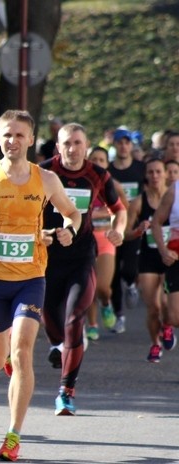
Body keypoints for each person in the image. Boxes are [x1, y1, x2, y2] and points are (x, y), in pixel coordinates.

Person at [0, 110, 80, 461]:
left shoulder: (47, 180)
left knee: (23, 352)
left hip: (31, 278)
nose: (13, 141)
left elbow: (72, 213)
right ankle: (2, 353)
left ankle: (13, 435)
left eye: (20, 135)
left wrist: (69, 230)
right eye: (7, 135)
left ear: (31, 139)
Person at [39, 123, 126, 415]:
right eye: (67, 143)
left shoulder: (98, 174)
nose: (72, 149)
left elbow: (119, 209)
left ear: (85, 146)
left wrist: (119, 230)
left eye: (78, 143)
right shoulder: (42, 172)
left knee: (75, 318)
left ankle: (66, 391)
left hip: (81, 256)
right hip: (47, 258)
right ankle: (58, 346)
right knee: (50, 314)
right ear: (58, 147)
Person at [130, 157, 174, 362]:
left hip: (171, 257)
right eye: (151, 172)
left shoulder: (174, 197)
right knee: (153, 307)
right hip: (148, 258)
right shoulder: (139, 201)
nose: (155, 176)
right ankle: (155, 344)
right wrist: (138, 230)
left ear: (165, 173)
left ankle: (167, 326)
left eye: (159, 171)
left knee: (166, 304)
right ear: (146, 176)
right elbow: (124, 234)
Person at [84, 146, 129, 341]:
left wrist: (117, 228)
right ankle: (92, 324)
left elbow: (123, 210)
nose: (98, 163)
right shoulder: (82, 184)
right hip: (84, 239)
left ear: (107, 163)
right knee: (89, 285)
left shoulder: (114, 185)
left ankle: (106, 303)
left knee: (102, 286)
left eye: (102, 160)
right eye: (94, 159)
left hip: (105, 239)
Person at [107, 127, 146, 333]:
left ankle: (131, 283)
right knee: (112, 274)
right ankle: (119, 315)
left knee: (129, 269)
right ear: (115, 144)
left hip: (134, 226)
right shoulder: (109, 171)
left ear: (131, 145)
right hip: (113, 226)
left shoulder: (141, 168)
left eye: (127, 142)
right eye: (120, 142)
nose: (123, 146)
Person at [149, 162, 179, 359]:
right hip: (176, 256)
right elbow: (157, 222)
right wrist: (163, 250)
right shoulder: (174, 190)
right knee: (175, 315)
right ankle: (167, 324)